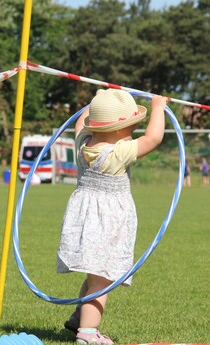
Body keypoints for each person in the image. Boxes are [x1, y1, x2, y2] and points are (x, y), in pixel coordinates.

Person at [57, 89, 167, 345]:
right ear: (118, 129)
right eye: (130, 126)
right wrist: (158, 107)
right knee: (102, 278)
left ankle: (79, 317)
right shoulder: (118, 153)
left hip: (83, 218)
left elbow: (81, 120)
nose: (133, 131)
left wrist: (102, 99)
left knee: (95, 274)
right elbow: (153, 138)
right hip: (107, 221)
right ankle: (87, 333)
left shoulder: (83, 142)